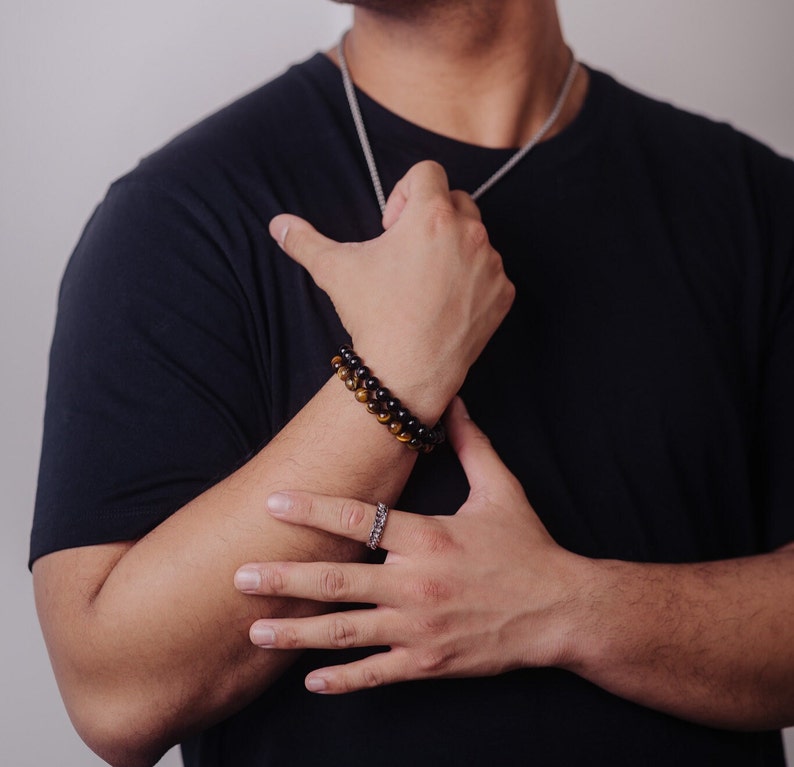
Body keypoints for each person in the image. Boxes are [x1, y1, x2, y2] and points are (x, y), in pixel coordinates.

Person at [31, 1, 794, 765]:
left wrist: (566, 610)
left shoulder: (756, 204)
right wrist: (396, 372)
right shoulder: (178, 217)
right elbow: (111, 694)